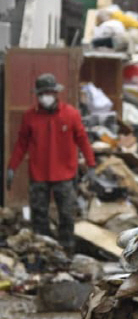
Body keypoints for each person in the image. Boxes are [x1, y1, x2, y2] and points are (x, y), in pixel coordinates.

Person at [6, 73, 96, 257]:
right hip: (39, 174)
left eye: (49, 92)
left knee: (66, 214)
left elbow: (83, 140)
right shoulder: (30, 117)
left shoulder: (71, 114)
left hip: (65, 174)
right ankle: (42, 250)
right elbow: (21, 144)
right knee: (39, 215)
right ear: (38, 95)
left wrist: (91, 164)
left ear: (56, 93)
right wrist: (11, 168)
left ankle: (67, 250)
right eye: (42, 93)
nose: (45, 96)